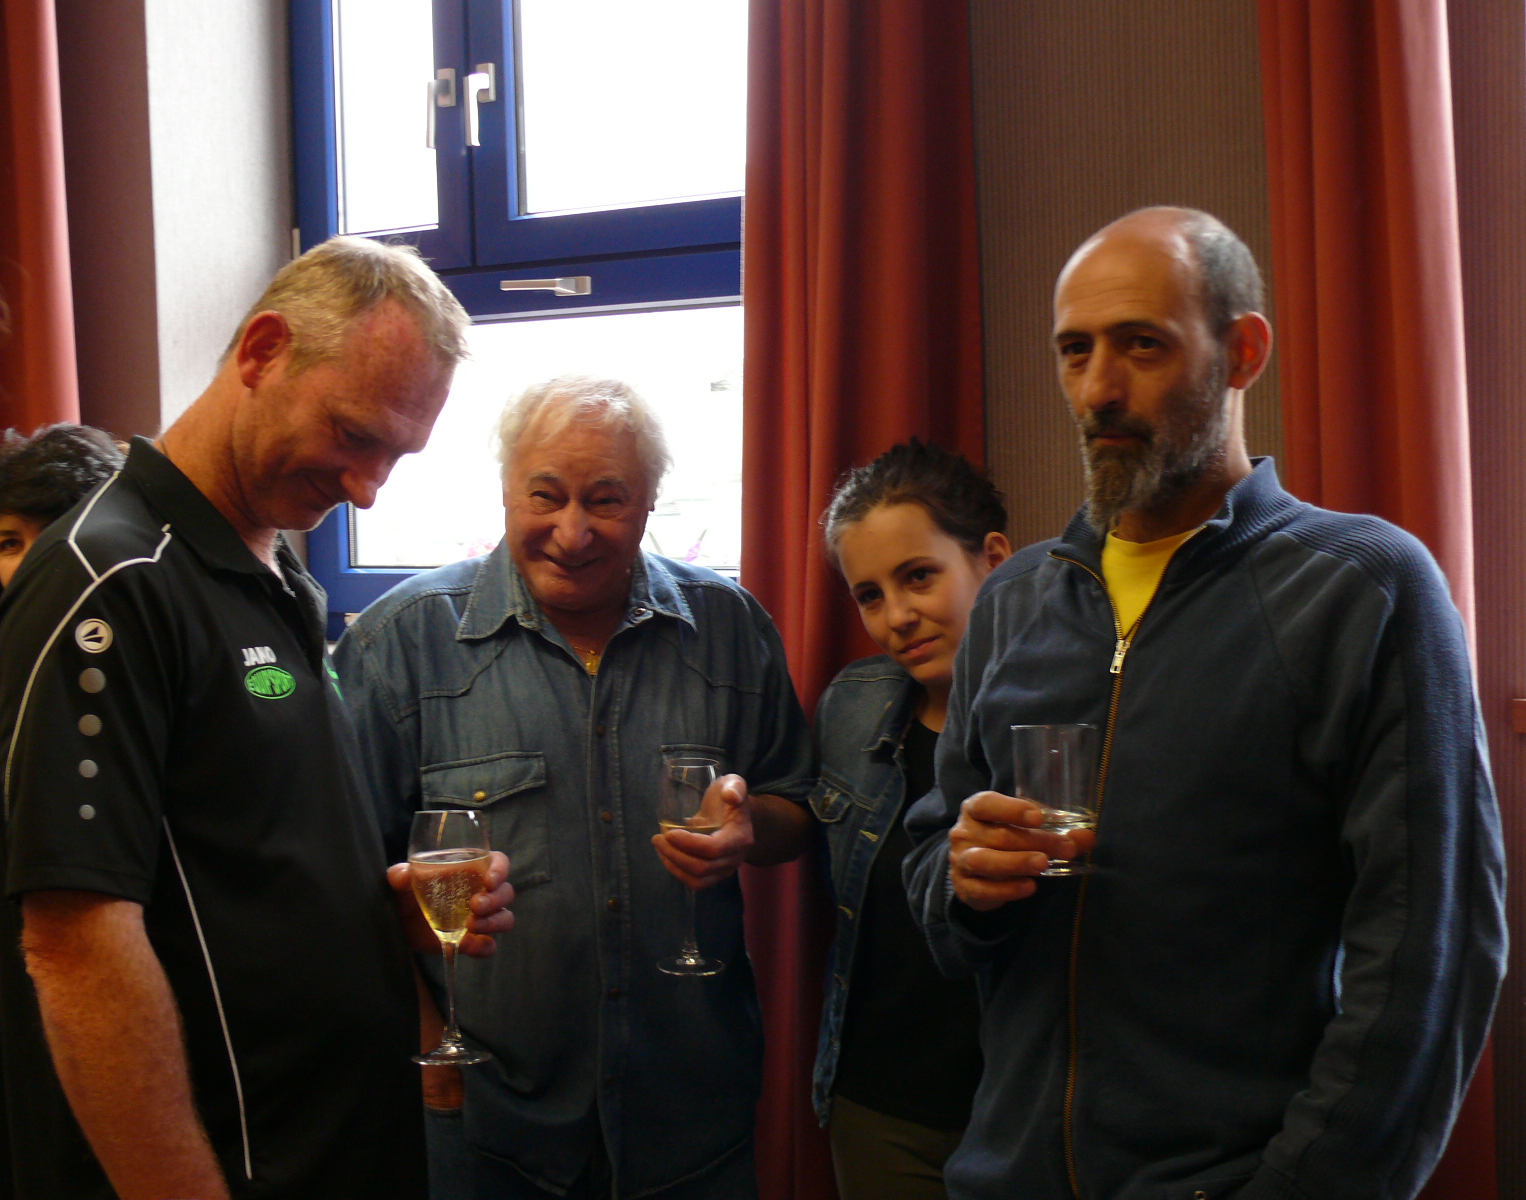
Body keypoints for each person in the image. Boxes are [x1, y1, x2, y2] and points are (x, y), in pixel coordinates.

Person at [903, 207, 1506, 1200]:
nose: (1098, 388)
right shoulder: (1012, 602)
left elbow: (1428, 957)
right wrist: (963, 883)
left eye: (1141, 345)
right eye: (1074, 351)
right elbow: (933, 870)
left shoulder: (1361, 589)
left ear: (1242, 353)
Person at [0, 236, 513, 1199]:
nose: (367, 488)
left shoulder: (274, 575)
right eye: (353, 435)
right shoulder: (110, 580)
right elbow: (73, 945)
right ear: (263, 352)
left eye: (395, 457)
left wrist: (374, 914)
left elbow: (234, 862)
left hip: (334, 1144)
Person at [333, 374, 817, 1200]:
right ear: (506, 492)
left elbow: (797, 808)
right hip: (487, 1125)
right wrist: (427, 1052)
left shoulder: (730, 627)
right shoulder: (398, 646)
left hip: (691, 1115)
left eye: (607, 500)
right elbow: (337, 887)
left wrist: (749, 830)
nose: (573, 531)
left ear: (650, 502)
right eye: (546, 496)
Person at [0, 423, 125, 1200]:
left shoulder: (153, 664)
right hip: (38, 1035)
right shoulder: (11, 688)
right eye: (10, 543)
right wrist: (23, 849)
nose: (32, 561)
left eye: (55, 533)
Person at [812, 440, 1011, 1200]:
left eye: (919, 576)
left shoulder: (1067, 720)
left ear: (993, 560)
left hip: (1023, 1111)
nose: (897, 617)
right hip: (878, 1108)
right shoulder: (853, 708)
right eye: (869, 594)